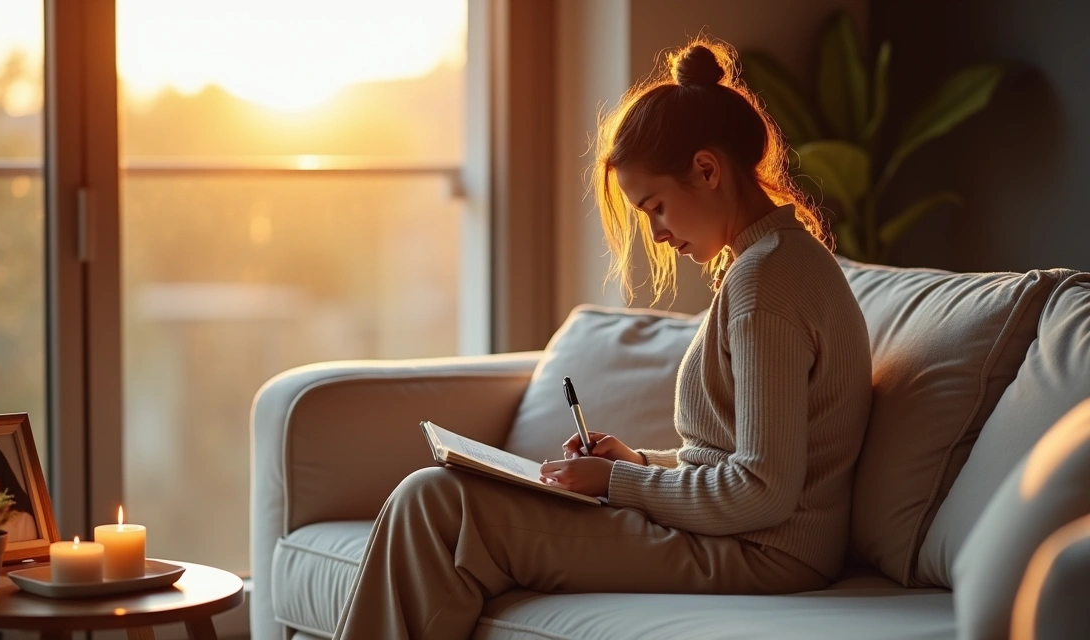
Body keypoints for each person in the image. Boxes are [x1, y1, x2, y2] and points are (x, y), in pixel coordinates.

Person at [332, 38, 873, 640]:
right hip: (739, 536)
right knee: (435, 500)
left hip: (762, 552)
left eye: (656, 207)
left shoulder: (767, 283)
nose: (658, 234)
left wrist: (617, 483)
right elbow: (736, 459)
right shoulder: (775, 265)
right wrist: (639, 462)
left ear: (707, 169)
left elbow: (764, 494)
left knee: (435, 504)